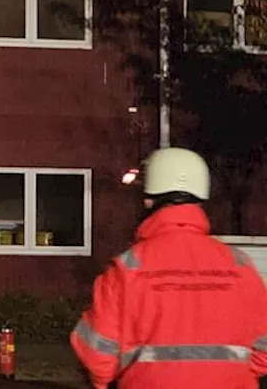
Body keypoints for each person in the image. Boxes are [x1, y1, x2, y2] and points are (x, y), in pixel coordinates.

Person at [71, 147, 267, 389]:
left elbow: (97, 357)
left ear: (148, 199)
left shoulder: (127, 269)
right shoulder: (241, 265)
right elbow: (262, 353)